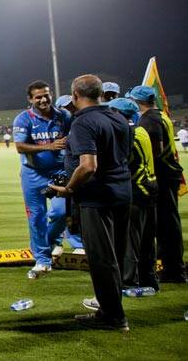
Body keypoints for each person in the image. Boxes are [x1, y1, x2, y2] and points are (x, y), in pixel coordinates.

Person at [51, 74, 131, 331]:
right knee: (116, 254)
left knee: (102, 259)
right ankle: (111, 309)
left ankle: (113, 317)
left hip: (97, 198)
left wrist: (68, 188)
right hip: (122, 192)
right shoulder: (117, 116)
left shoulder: (84, 122)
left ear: (75, 96)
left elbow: (88, 166)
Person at [12, 80, 82, 279]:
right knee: (36, 218)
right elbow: (20, 147)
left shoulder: (64, 116)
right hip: (32, 175)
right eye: (38, 97)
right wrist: (50, 146)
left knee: (61, 213)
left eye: (46, 95)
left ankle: (48, 243)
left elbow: (73, 139)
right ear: (30, 99)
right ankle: (42, 261)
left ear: (51, 95)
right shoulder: (23, 119)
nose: (43, 99)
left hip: (59, 173)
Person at [129, 85, 187, 283]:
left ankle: (173, 271)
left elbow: (156, 150)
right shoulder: (160, 114)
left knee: (166, 226)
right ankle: (173, 268)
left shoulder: (149, 119)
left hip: (162, 177)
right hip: (169, 175)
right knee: (169, 224)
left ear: (138, 102)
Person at [109, 98, 159, 290]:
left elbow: (122, 163)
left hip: (136, 190)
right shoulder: (141, 130)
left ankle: (128, 281)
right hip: (150, 187)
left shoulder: (128, 134)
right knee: (147, 239)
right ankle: (150, 278)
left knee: (130, 240)